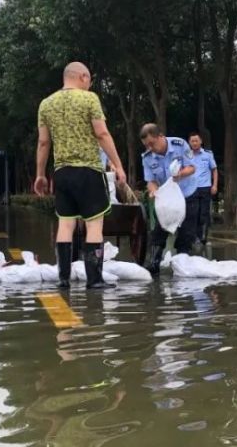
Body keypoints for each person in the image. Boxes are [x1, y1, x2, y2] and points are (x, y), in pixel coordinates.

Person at [34, 61, 127, 290]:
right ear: (83, 77)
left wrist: (40, 175)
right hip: (88, 171)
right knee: (94, 225)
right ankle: (94, 279)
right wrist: (117, 164)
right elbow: (102, 133)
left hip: (62, 173)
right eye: (89, 80)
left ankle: (63, 278)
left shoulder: (46, 104)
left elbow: (44, 142)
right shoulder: (89, 99)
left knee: (66, 225)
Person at [140, 123, 197, 274]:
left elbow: (192, 167)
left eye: (152, 144)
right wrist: (153, 191)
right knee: (159, 231)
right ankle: (153, 265)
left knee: (186, 234)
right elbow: (150, 181)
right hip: (166, 200)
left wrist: (180, 174)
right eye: (147, 146)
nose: (150, 148)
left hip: (187, 194)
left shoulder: (180, 144)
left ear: (160, 136)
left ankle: (182, 266)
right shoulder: (146, 158)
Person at [187, 132, 218, 250]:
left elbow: (214, 170)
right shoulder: (187, 155)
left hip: (205, 187)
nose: (194, 143)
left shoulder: (208, 155)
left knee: (204, 213)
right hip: (191, 188)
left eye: (196, 141)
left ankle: (203, 237)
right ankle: (195, 237)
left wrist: (214, 185)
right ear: (189, 143)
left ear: (201, 141)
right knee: (193, 213)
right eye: (192, 141)